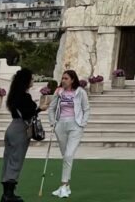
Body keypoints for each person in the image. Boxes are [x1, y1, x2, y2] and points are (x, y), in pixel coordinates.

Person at [1, 67, 46, 202]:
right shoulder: (24, 96)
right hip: (20, 129)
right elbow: (28, 113)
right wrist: (40, 108)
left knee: (8, 159)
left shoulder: (14, 95)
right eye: (31, 78)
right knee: (16, 160)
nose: (33, 81)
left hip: (12, 127)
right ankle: (9, 194)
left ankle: (6, 193)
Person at [48, 69, 90, 198]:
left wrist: (82, 123)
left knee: (68, 154)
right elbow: (52, 108)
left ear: (72, 80)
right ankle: (67, 186)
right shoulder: (59, 92)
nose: (63, 81)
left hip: (75, 125)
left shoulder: (80, 92)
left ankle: (63, 184)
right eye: (62, 78)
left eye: (66, 78)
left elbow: (86, 109)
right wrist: (53, 122)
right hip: (60, 124)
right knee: (65, 156)